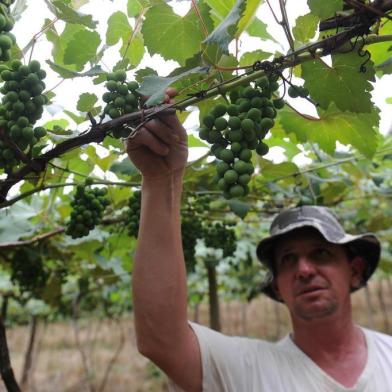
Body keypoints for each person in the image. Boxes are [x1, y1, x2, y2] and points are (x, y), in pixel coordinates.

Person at [125, 89, 392, 392]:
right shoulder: (247, 371)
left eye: (320, 254)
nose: (304, 269)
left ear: (355, 271)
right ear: (278, 284)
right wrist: (161, 180)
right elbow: (160, 339)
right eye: (288, 259)